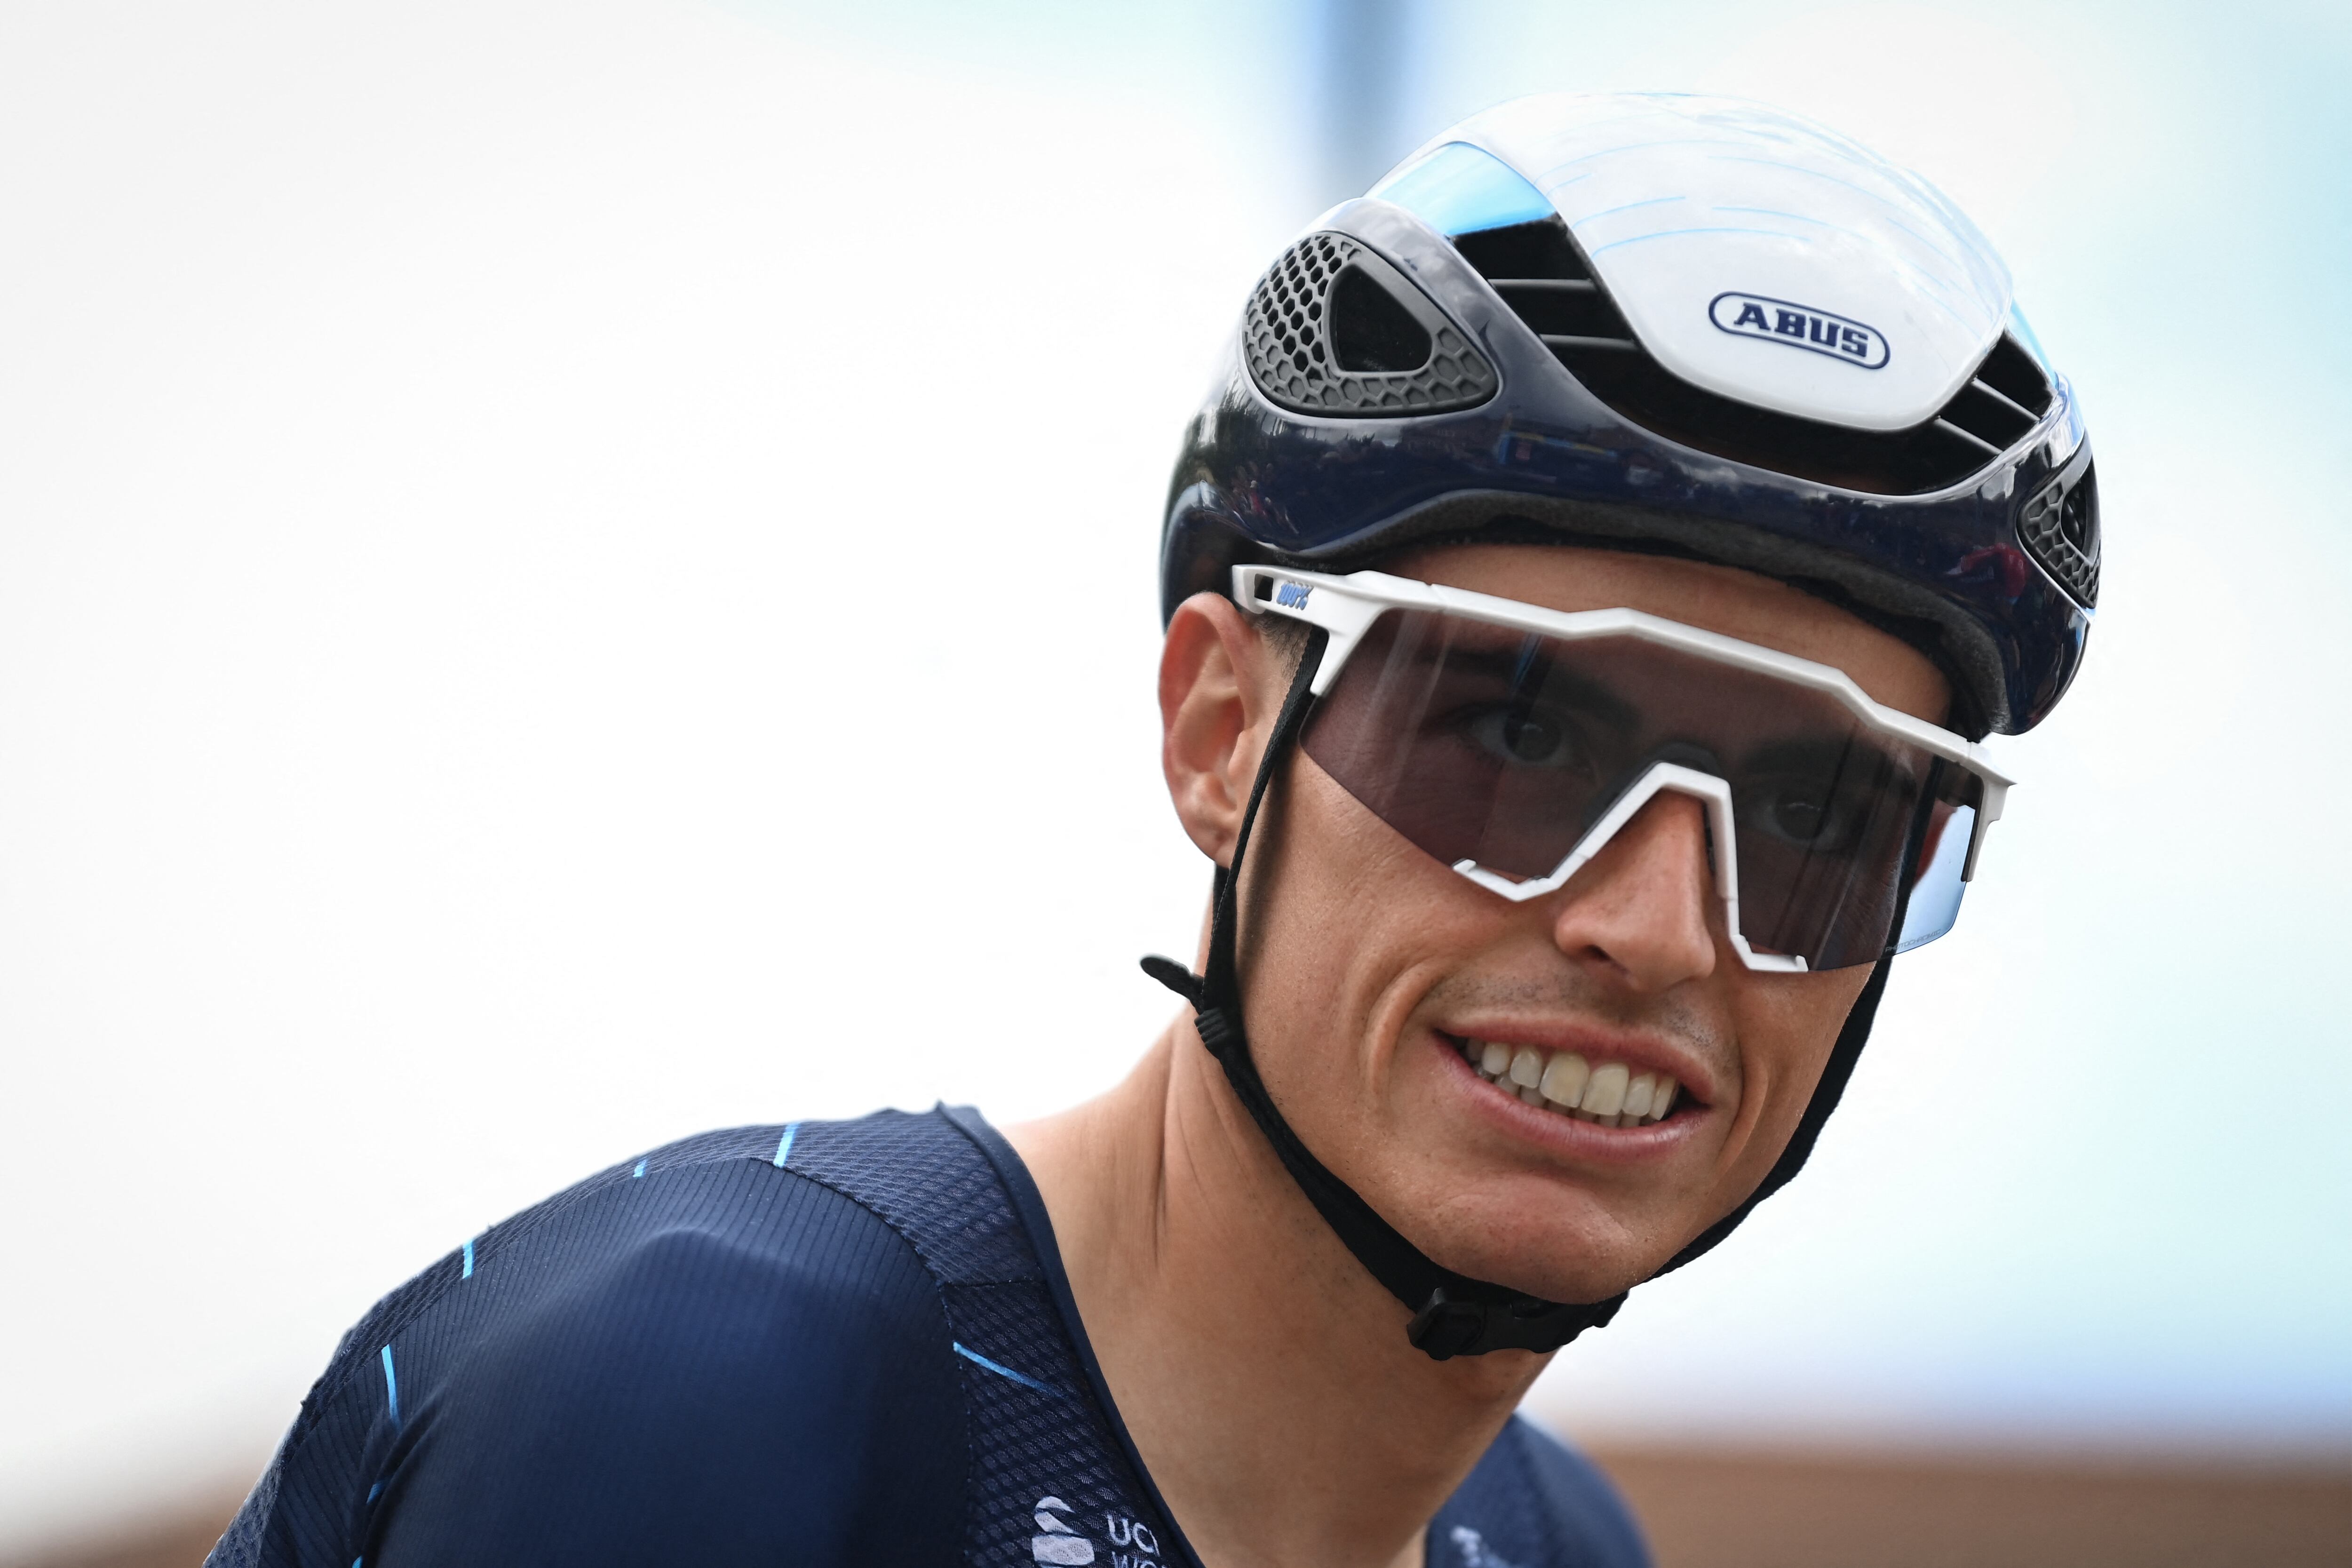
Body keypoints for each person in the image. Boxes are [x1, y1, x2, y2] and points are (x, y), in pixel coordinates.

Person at [209, 92, 2099, 1568]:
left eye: (1815, 811)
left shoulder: (1554, 1545)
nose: (1661, 926)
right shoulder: (719, 1384)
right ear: (1217, 729)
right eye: (1518, 731)